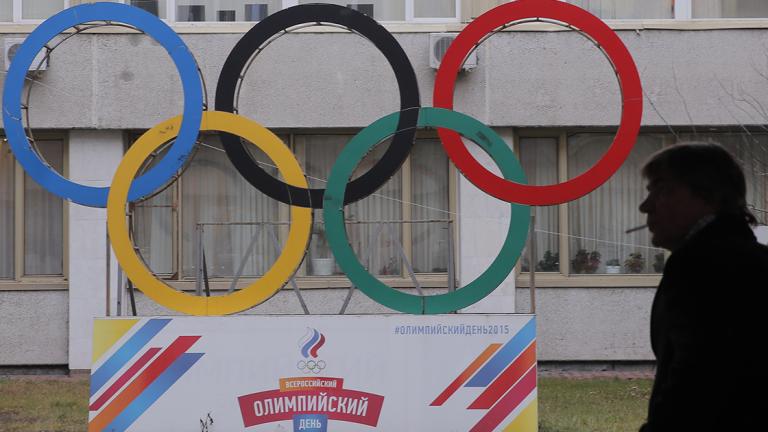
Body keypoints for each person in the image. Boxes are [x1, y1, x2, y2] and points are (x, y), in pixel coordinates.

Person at [638, 142, 768, 431]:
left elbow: (696, 385)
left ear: (707, 196)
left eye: (660, 189)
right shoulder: (751, 259)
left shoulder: (703, 267)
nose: (645, 206)